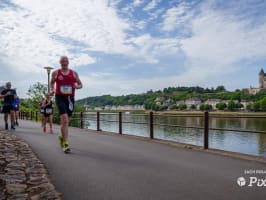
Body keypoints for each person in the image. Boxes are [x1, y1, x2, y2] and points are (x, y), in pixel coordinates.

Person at [50, 56, 82, 153]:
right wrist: (52, 90)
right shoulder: (56, 73)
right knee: (64, 119)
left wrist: (77, 86)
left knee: (66, 121)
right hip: (59, 97)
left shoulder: (74, 73)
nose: (64, 62)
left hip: (70, 99)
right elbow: (51, 83)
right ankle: (65, 143)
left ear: (68, 62)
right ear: (60, 62)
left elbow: (81, 85)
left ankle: (61, 135)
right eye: (62, 61)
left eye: (66, 61)